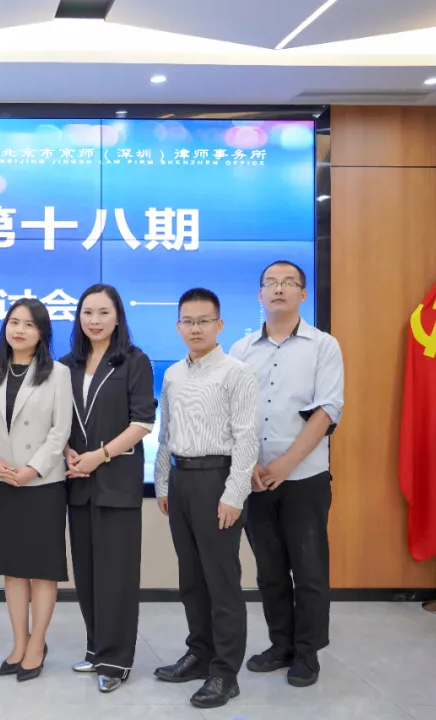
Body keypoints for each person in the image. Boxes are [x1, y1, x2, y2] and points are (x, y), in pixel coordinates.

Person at [229, 261, 343, 688]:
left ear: (303, 294)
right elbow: (232, 412)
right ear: (260, 294)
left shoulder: (323, 346)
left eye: (288, 283)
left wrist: (285, 464)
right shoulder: (241, 350)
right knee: (270, 570)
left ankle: (307, 653)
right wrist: (248, 467)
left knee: (309, 568)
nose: (279, 289)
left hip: (304, 478)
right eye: (271, 283)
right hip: (254, 479)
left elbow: (327, 411)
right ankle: (281, 644)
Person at [153, 287, 259, 709]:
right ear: (178, 326)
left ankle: (225, 673)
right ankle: (199, 654)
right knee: (191, 578)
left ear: (219, 325)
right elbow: (166, 434)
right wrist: (163, 483)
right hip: (181, 481)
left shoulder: (237, 372)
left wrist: (235, 494)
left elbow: (247, 439)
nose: (195, 328)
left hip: (218, 480)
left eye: (203, 321)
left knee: (221, 580)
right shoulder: (173, 375)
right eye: (188, 321)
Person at [59, 284, 156, 694]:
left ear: (117, 317)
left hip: (116, 481)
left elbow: (143, 421)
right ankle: (97, 648)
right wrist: (67, 452)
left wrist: (99, 456)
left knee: (116, 575)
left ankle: (116, 660)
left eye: (103, 312)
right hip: (77, 483)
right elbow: (58, 420)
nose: (94, 320)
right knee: (87, 573)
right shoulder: (65, 365)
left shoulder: (134, 361)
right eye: (87, 313)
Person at [0, 298, 73, 683]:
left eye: (29, 324)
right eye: (14, 322)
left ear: (42, 332)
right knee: (13, 569)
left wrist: (33, 468)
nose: (20, 330)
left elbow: (60, 430)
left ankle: (37, 643)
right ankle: (19, 642)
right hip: (3, 481)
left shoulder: (58, 373)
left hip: (42, 483)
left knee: (41, 570)